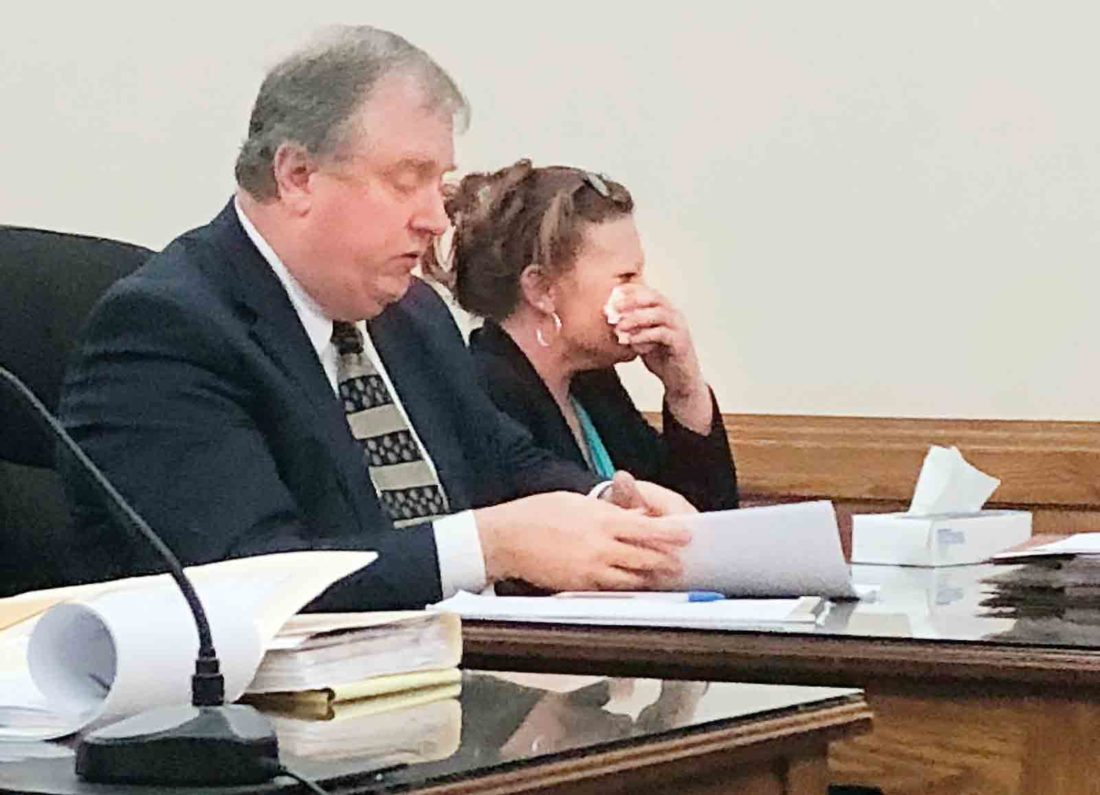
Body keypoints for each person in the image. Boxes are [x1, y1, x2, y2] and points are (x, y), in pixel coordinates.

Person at [57, 27, 694, 610]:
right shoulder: (165, 329)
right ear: (298, 176)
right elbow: (244, 576)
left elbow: (503, 459)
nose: (436, 219)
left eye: (439, 184)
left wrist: (606, 504)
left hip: (461, 678)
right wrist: (486, 547)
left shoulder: (412, 315)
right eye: (407, 180)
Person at [424, 160, 738, 512]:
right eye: (627, 277)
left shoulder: (593, 385)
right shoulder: (485, 394)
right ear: (542, 289)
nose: (645, 293)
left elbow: (697, 520)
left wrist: (685, 391)